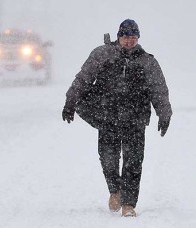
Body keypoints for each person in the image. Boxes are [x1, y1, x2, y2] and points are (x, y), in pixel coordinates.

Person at [62, 19, 172, 217]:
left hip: (135, 118)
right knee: (108, 158)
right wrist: (71, 102)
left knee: (134, 161)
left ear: (138, 38)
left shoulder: (147, 61)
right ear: (118, 36)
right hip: (107, 116)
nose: (129, 41)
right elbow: (83, 78)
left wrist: (164, 113)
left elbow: (159, 89)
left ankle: (129, 204)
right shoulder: (102, 54)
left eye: (133, 37)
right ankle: (115, 191)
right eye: (125, 37)